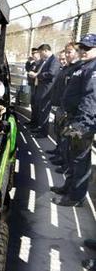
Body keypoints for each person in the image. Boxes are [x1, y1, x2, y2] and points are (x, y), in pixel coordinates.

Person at [51, 33, 96, 206]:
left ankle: (76, 197)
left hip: (82, 123)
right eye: (82, 47)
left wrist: (82, 124)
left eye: (88, 48)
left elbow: (91, 98)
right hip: (72, 119)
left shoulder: (93, 69)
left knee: (80, 161)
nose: (83, 51)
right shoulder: (85, 66)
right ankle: (68, 187)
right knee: (71, 157)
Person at [48, 44, 81, 167]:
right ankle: (59, 153)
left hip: (70, 109)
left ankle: (65, 162)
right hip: (61, 106)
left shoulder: (78, 69)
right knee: (59, 132)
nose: (66, 56)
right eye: (65, 53)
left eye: (69, 52)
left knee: (66, 137)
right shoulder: (66, 68)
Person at [27, 44, 60, 137]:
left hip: (47, 90)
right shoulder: (45, 61)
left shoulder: (54, 60)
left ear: (45, 51)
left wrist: (37, 75)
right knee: (40, 110)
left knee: (44, 111)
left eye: (40, 52)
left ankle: (43, 132)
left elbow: (51, 73)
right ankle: (39, 128)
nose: (40, 54)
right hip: (41, 89)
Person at [25, 47, 42, 128]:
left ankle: (36, 123)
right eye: (32, 53)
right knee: (33, 105)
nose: (33, 55)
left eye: (35, 53)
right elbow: (28, 69)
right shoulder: (34, 63)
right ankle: (33, 121)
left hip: (37, 87)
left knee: (37, 106)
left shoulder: (40, 63)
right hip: (32, 86)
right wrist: (28, 62)